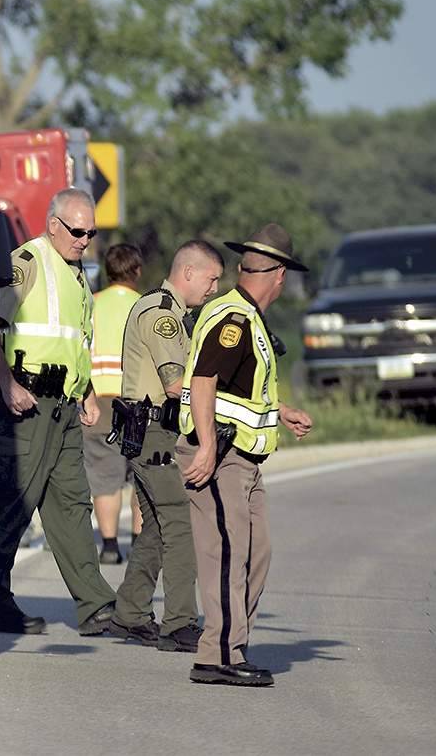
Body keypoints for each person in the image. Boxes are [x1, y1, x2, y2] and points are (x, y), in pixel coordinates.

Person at [0, 187, 117, 636]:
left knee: (73, 506)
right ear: (54, 224)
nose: (85, 239)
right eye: (77, 231)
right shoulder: (26, 264)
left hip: (63, 409)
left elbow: (74, 342)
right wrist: (7, 383)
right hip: (26, 406)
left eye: (91, 232)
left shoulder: (77, 276)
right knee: (13, 504)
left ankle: (95, 605)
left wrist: (87, 390)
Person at [179, 224, 314, 686]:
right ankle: (216, 655)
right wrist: (209, 447)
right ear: (279, 275)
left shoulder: (248, 316)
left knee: (257, 552)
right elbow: (203, 382)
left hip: (243, 457)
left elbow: (240, 394)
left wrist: (279, 412)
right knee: (226, 552)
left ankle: (233, 644)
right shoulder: (235, 319)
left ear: (243, 268)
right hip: (220, 454)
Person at [106, 240, 225, 653]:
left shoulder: (170, 312)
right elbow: (177, 384)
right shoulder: (162, 315)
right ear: (189, 272)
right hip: (154, 431)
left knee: (156, 527)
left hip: (150, 431)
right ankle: (179, 623)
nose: (213, 289)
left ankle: (130, 614)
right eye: (211, 279)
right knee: (180, 523)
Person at [86, 243, 143, 564]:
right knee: (140, 474)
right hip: (138, 402)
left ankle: (109, 546)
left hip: (99, 400)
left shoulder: (91, 304)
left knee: (104, 476)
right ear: (137, 271)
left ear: (107, 273)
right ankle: (137, 541)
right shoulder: (147, 307)